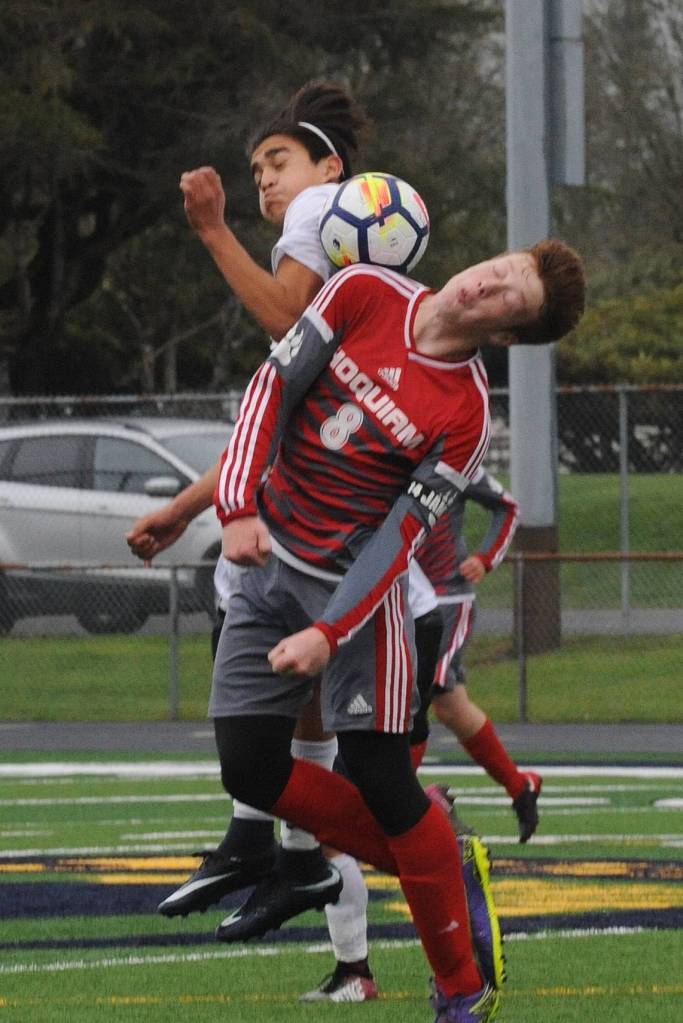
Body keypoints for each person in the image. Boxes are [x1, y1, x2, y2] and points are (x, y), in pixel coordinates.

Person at [209, 240, 586, 1022]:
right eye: (500, 266)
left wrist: (332, 628)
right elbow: (270, 390)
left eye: (507, 297)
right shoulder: (362, 290)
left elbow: (398, 537)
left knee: (378, 777)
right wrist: (237, 502)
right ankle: (441, 855)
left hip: (356, 594)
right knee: (247, 766)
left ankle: (459, 988)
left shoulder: (465, 413)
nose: (485, 282)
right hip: (267, 551)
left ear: (506, 335)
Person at [417, 469, 543, 843]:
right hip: (398, 596)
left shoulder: (454, 458)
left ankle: (399, 804)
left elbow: (506, 506)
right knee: (451, 706)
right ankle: (520, 786)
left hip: (446, 599)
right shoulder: (384, 448)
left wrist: (485, 557)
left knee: (416, 694)